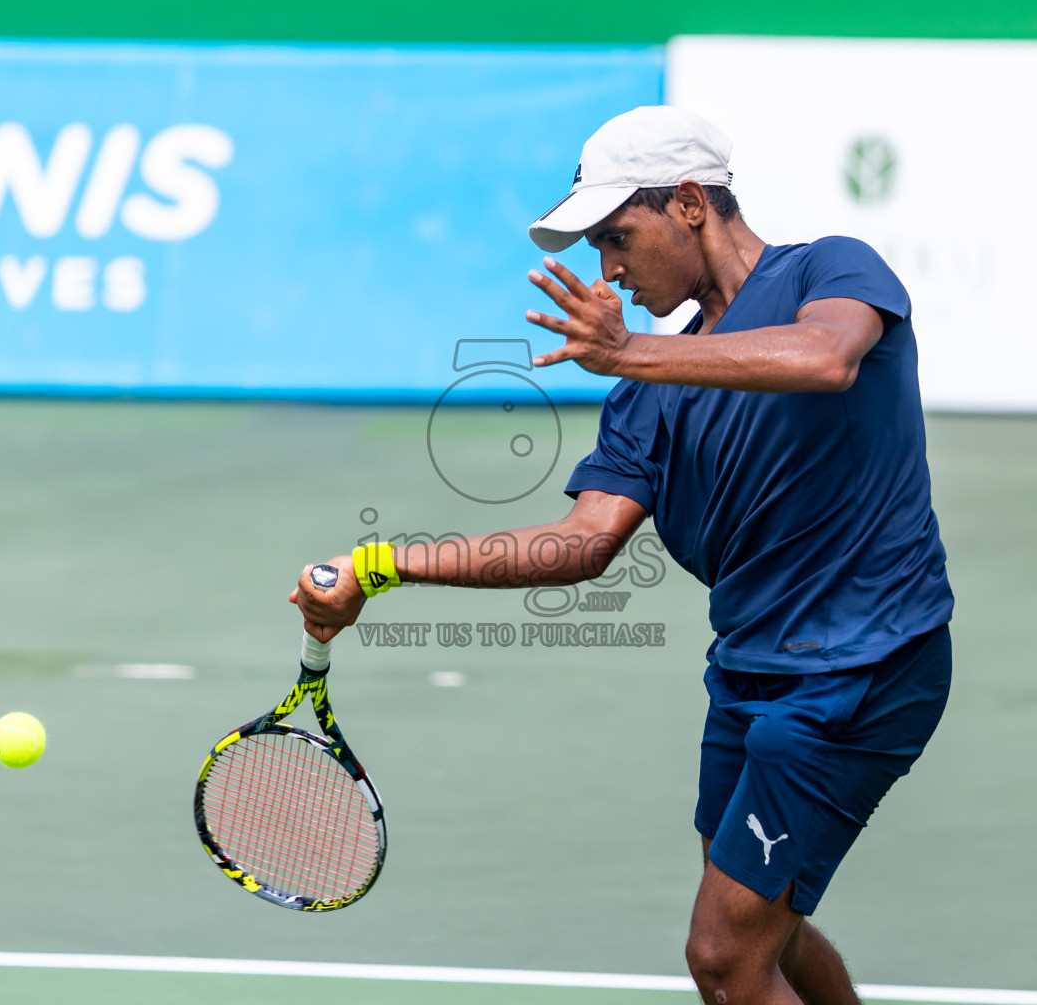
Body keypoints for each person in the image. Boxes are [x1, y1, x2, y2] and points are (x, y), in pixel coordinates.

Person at [290, 105, 954, 1005]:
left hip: (865, 663)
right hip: (752, 670)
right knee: (771, 928)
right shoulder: (645, 391)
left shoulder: (827, 270)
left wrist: (632, 352)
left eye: (618, 235)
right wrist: (379, 565)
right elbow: (580, 542)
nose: (607, 268)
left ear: (689, 203)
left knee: (724, 955)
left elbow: (827, 357)